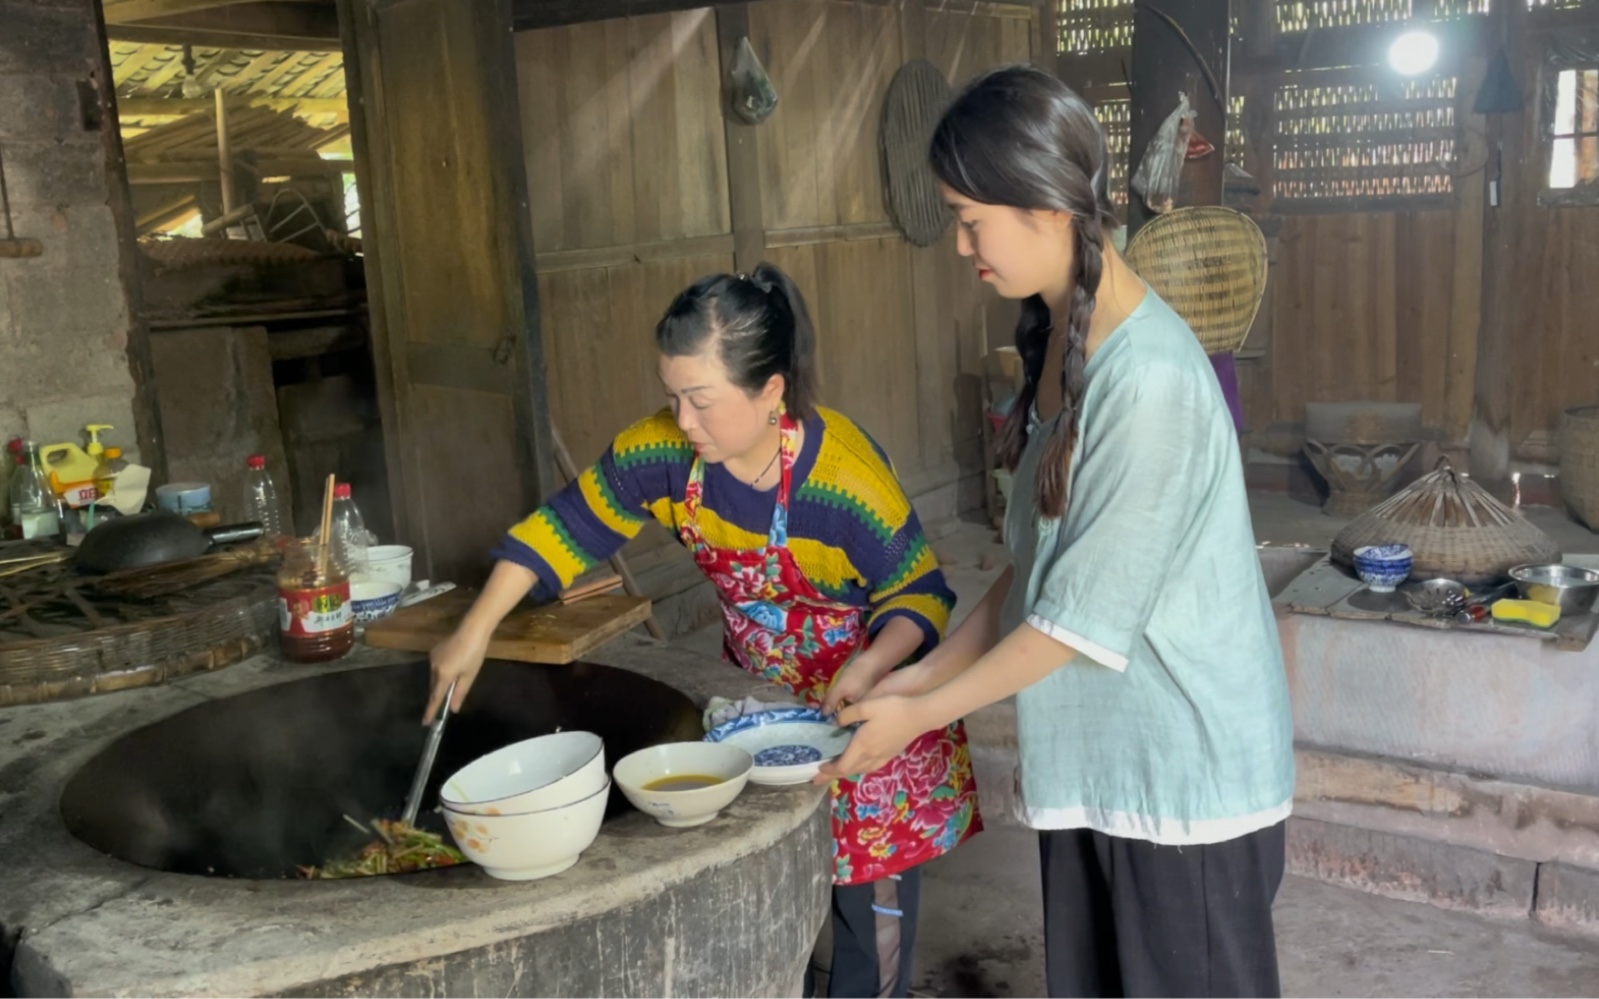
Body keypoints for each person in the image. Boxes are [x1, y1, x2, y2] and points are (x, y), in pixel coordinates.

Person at [819, 65, 1295, 999]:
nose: (961, 246)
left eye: (969, 218)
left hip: (1178, 781)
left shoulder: (1146, 378)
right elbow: (1039, 564)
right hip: (1105, 763)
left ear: (1044, 206)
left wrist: (918, 714)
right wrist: (912, 671)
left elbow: (1077, 621)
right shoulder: (1062, 342)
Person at [426, 262, 982, 999]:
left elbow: (920, 592)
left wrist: (873, 663)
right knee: (777, 869)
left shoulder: (842, 480)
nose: (683, 420)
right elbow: (563, 526)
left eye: (702, 400)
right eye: (673, 395)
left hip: (870, 701)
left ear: (771, 390)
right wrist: (476, 628)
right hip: (759, 702)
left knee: (866, 903)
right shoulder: (662, 454)